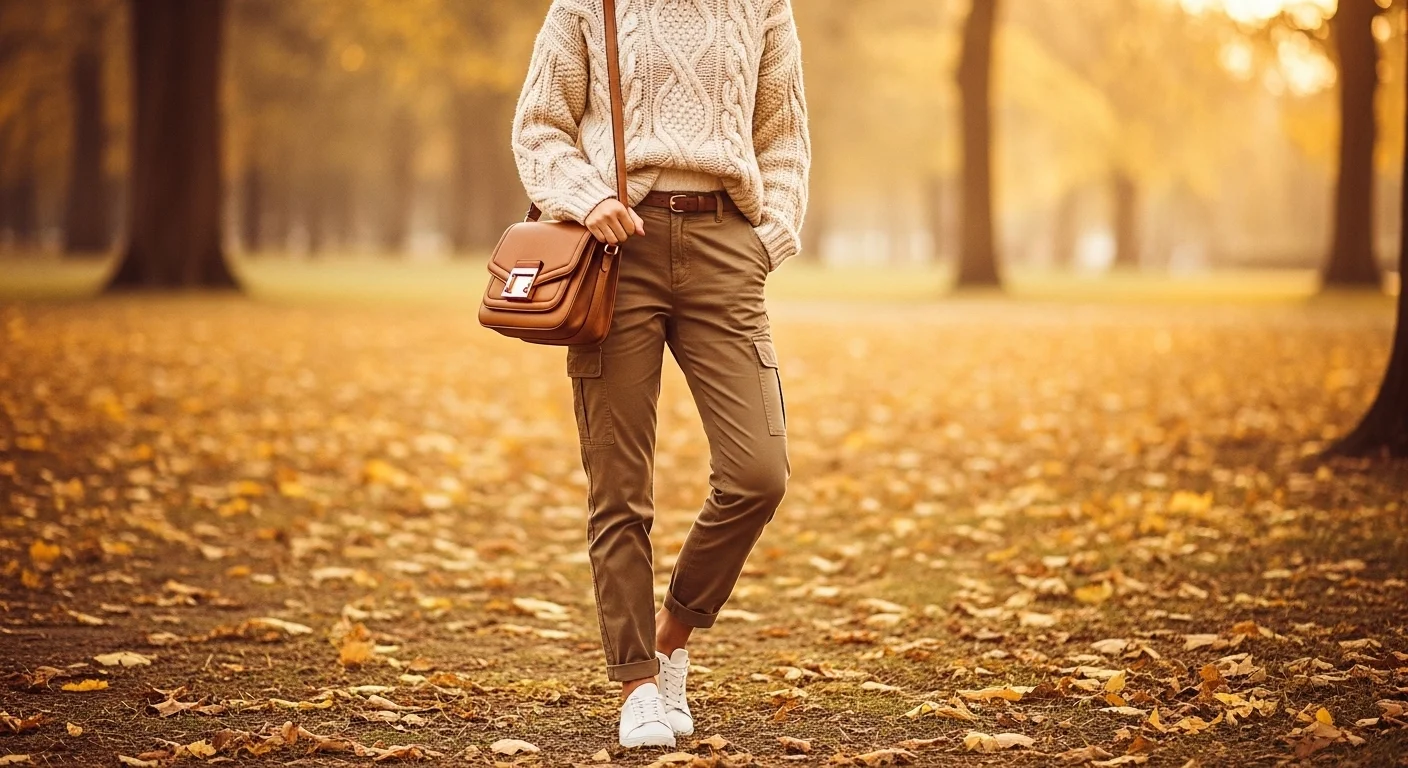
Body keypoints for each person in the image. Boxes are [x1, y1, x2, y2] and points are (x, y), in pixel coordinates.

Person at [511, 0, 810, 749]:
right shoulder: (589, 3)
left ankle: (672, 638)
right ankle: (637, 685)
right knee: (619, 487)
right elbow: (540, 127)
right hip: (616, 253)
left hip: (727, 250)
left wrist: (768, 240)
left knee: (759, 474)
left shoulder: (763, 5)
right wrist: (588, 199)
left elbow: (783, 136)